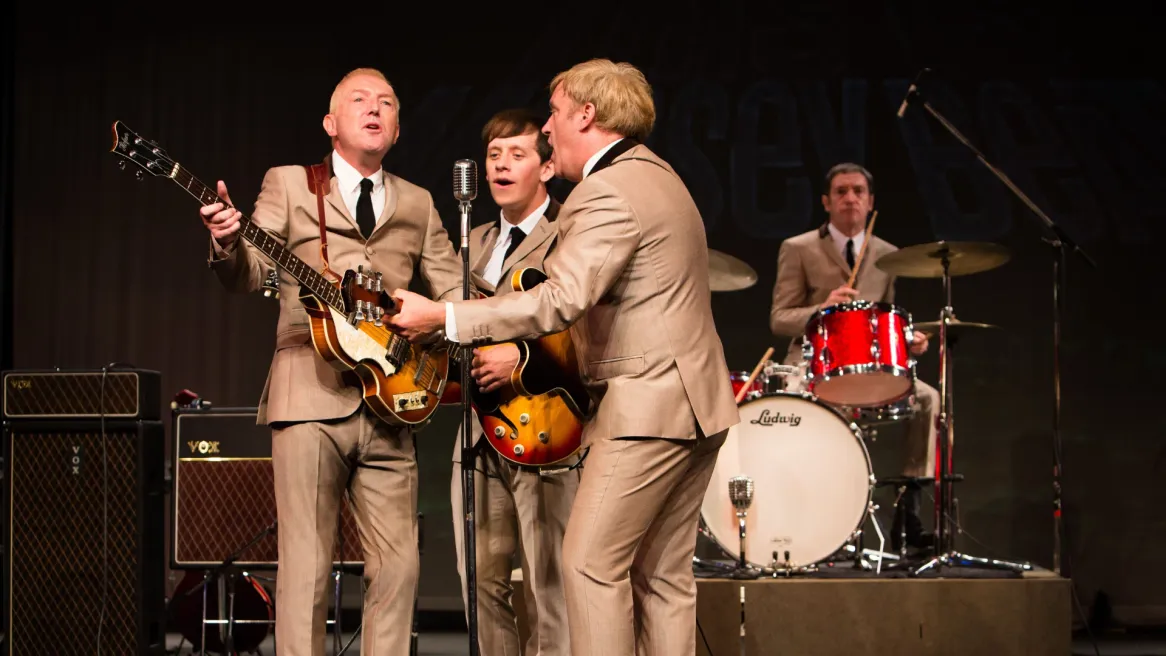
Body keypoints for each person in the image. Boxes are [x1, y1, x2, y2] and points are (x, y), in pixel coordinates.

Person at [388, 58, 739, 656]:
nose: (547, 129)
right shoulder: (660, 175)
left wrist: (443, 316)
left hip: (645, 411)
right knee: (663, 579)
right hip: (697, 408)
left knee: (586, 565)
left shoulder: (606, 190)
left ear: (587, 114)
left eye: (553, 114)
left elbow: (558, 300)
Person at [199, 67, 464, 656]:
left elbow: (453, 301)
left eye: (388, 103)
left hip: (392, 400)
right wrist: (224, 239)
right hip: (309, 390)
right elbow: (251, 270)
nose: (375, 108)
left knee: (399, 567)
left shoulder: (417, 203)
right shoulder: (291, 184)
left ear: (396, 129)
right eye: (360, 100)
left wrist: (429, 344)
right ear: (330, 123)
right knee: (309, 566)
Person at [448, 107, 580, 656]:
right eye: (494, 156)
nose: (502, 166)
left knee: (551, 590)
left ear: (546, 168)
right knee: (481, 585)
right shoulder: (469, 240)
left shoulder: (568, 233)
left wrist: (519, 357)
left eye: (518, 155)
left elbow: (584, 329)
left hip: (546, 429)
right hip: (477, 432)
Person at [768, 161, 939, 552]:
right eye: (841, 191)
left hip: (868, 365)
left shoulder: (888, 254)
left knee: (929, 398)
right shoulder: (798, 248)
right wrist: (821, 308)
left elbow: (884, 321)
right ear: (826, 202)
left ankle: (907, 514)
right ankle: (823, 515)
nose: (850, 198)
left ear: (871, 201)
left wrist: (907, 340)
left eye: (858, 191)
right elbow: (779, 318)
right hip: (814, 361)